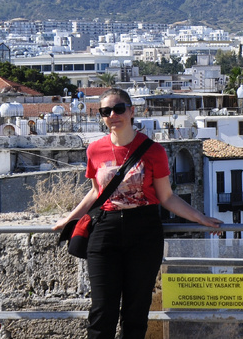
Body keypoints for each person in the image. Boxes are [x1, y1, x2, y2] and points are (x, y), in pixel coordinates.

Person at [54, 88, 222, 339]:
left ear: (132, 111)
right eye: (106, 111)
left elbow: (166, 197)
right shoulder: (94, 150)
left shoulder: (153, 151)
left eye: (119, 109)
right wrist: (69, 218)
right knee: (102, 310)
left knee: (136, 311)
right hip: (105, 230)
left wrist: (201, 218)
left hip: (143, 231)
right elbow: (94, 193)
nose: (113, 115)